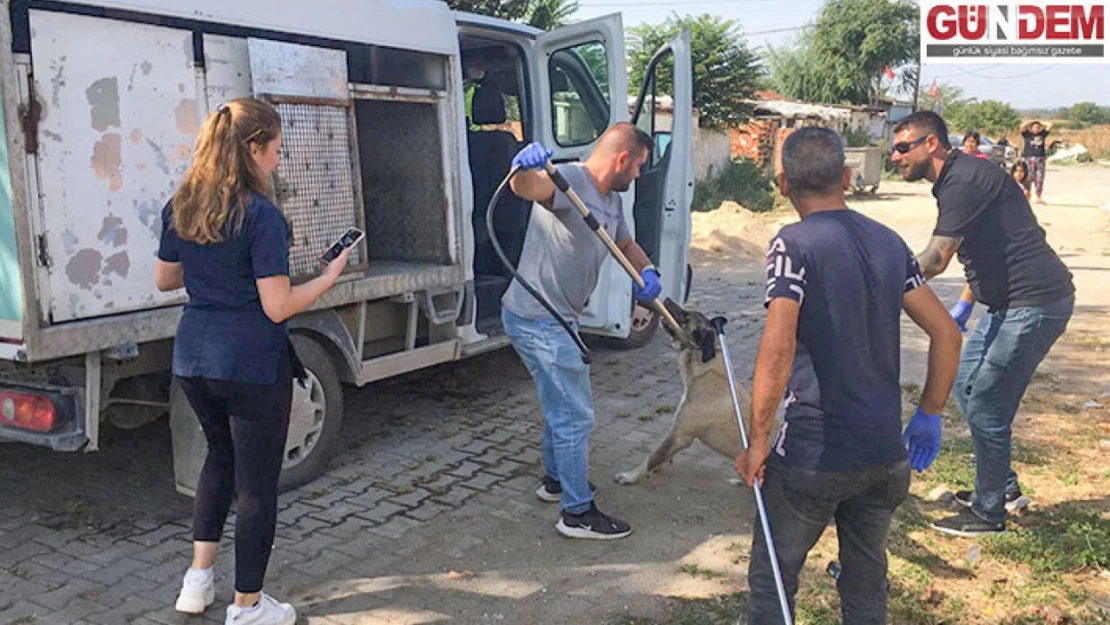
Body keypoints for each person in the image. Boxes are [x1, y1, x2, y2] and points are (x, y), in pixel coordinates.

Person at [734, 127, 962, 624]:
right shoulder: (889, 242)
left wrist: (757, 441)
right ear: (847, 177)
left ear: (782, 184)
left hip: (814, 456)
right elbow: (947, 333)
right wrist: (929, 415)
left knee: (772, 576)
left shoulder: (792, 244)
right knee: (865, 582)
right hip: (883, 456)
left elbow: (778, 346)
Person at [155, 98, 351, 625]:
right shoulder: (262, 216)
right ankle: (248, 607)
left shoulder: (183, 205)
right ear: (253, 149)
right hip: (250, 362)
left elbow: (165, 278)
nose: (278, 162)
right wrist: (329, 277)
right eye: (276, 151)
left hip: (194, 357)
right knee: (257, 485)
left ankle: (196, 583)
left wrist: (210, 270)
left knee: (218, 459)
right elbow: (278, 306)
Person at [890, 111, 1074, 537]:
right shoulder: (959, 177)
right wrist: (966, 302)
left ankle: (990, 512)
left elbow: (937, 258)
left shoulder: (963, 180)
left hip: (1034, 304)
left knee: (988, 403)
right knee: (964, 380)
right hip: (1005, 304)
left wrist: (879, 276)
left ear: (930, 143)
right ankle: (1003, 486)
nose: (895, 156)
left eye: (902, 148)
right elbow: (983, 243)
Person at [501, 123, 661, 540]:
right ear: (622, 160)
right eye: (640, 166)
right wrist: (521, 167)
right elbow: (525, 188)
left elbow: (624, 245)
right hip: (538, 316)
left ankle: (556, 481)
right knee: (574, 413)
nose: (640, 176)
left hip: (560, 317)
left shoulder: (611, 201)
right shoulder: (568, 179)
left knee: (562, 402)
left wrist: (647, 272)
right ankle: (576, 513)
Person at [1019, 119, 1053, 204]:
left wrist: (1040, 121)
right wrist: (1032, 121)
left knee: (1039, 178)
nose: (1036, 128)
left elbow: (1050, 125)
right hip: (1028, 158)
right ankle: (1027, 196)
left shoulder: (1042, 134)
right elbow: (1022, 126)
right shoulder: (1027, 135)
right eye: (1034, 127)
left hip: (1040, 158)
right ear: (1031, 128)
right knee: (1027, 178)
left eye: (1038, 127)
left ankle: (1038, 197)